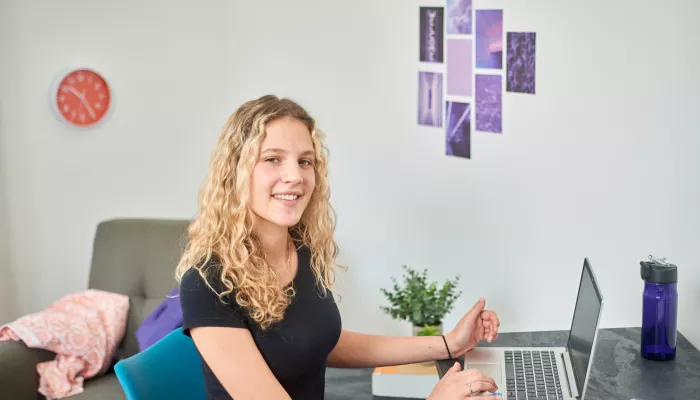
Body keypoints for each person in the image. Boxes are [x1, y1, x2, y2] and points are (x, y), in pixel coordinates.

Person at [175, 95, 502, 400]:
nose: (295, 176)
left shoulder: (300, 250)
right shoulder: (207, 285)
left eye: (305, 162)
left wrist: (448, 344)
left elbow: (319, 340)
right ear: (236, 172)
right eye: (273, 159)